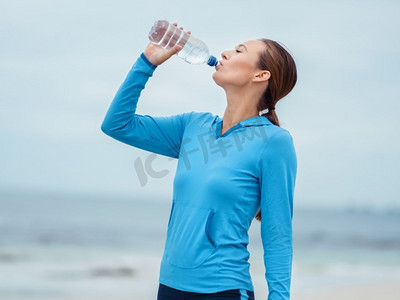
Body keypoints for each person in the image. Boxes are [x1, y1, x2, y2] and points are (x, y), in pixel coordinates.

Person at [101, 23, 297, 300]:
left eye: (239, 50)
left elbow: (277, 233)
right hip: (169, 286)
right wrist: (147, 63)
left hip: (223, 290)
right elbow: (116, 125)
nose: (226, 53)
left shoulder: (274, 142)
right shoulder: (193, 125)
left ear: (261, 74)